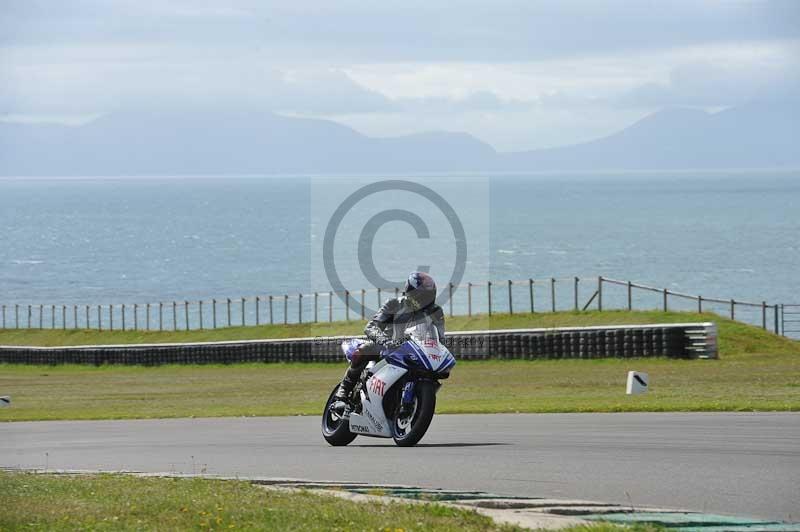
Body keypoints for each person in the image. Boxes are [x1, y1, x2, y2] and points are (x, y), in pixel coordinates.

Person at [333, 271, 445, 407]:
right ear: (410, 292)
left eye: (427, 296)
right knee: (363, 350)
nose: (424, 300)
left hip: (416, 351)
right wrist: (385, 341)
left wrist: (441, 354)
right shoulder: (394, 304)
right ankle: (344, 390)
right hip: (387, 345)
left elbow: (439, 338)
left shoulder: (435, 312)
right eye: (421, 296)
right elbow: (371, 327)